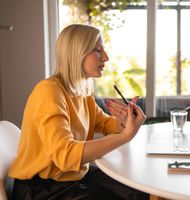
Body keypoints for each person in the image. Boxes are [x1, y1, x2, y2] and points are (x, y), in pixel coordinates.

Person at [8, 24, 148, 200]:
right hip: (42, 188)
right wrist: (124, 136)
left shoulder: (81, 91)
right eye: (98, 50)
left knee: (138, 191)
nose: (106, 57)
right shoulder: (49, 92)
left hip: (71, 176)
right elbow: (65, 155)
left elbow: (103, 122)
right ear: (77, 53)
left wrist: (124, 122)